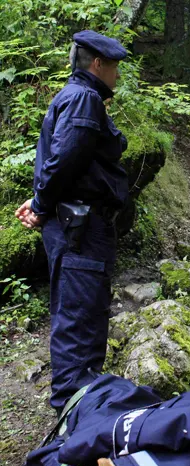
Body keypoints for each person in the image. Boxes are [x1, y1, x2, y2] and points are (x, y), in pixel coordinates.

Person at [14, 30, 129, 414]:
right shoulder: (83, 99)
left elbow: (63, 162)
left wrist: (40, 201)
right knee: (79, 316)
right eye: (114, 68)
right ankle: (71, 413)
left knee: (84, 310)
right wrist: (43, 203)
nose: (116, 76)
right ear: (98, 64)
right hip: (79, 227)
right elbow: (64, 160)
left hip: (75, 223)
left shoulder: (76, 97)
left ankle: (83, 403)